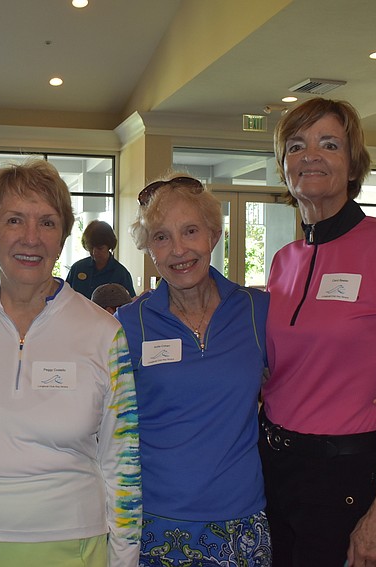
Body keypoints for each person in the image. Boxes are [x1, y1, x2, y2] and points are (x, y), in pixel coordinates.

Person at [260, 98, 376, 567]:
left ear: (353, 162)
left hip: (345, 473)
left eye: (329, 144)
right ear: (284, 168)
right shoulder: (283, 261)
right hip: (272, 467)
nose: (310, 156)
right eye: (296, 146)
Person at [0, 158, 141, 567]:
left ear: (62, 238)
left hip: (72, 544)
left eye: (47, 222)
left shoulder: (104, 333)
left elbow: (122, 458)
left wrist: (124, 556)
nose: (31, 238)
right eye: (13, 220)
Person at [116, 175, 273, 566]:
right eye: (161, 237)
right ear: (148, 249)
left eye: (190, 231)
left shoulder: (257, 310)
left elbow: (310, 376)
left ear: (214, 235)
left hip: (241, 521)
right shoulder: (127, 323)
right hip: (155, 522)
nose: (178, 250)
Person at [66, 219, 136, 300]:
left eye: (100, 248)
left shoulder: (121, 274)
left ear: (109, 246)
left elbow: (129, 304)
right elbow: (65, 296)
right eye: (91, 248)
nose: (94, 252)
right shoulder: (77, 268)